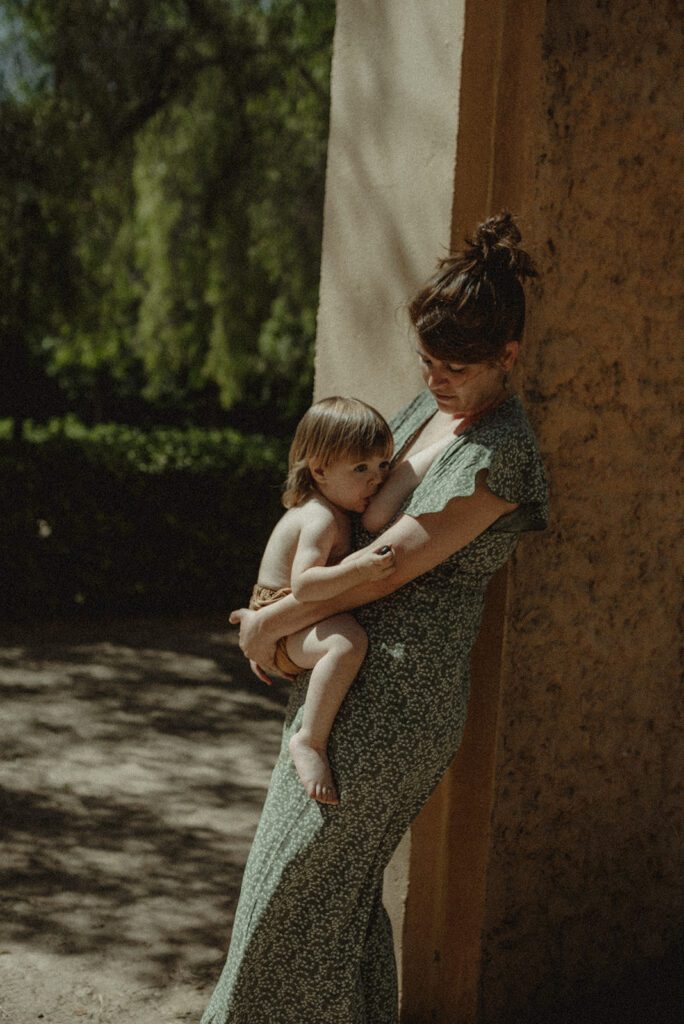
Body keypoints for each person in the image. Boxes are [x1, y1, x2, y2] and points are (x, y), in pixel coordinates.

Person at [200, 212, 548, 1024]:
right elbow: (339, 497)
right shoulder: (429, 411)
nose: (436, 379)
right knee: (321, 902)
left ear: (508, 356)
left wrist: (266, 625)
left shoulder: (501, 454)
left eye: (455, 367)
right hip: (341, 676)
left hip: (400, 703)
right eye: (427, 361)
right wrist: (285, 610)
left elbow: (386, 565)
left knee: (298, 893)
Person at [248, 395, 396, 805]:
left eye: (384, 465)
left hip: (281, 619)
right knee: (346, 643)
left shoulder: (332, 509)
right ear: (319, 470)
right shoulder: (320, 518)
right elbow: (304, 586)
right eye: (361, 468)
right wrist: (360, 569)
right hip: (285, 628)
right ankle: (309, 740)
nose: (377, 479)